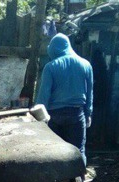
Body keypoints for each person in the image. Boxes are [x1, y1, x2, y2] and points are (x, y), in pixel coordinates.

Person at [35, 33, 93, 168]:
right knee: (78, 151)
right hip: (77, 115)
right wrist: (88, 113)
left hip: (53, 116)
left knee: (54, 152)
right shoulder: (86, 64)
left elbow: (44, 95)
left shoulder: (50, 67)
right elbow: (89, 92)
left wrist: (37, 117)